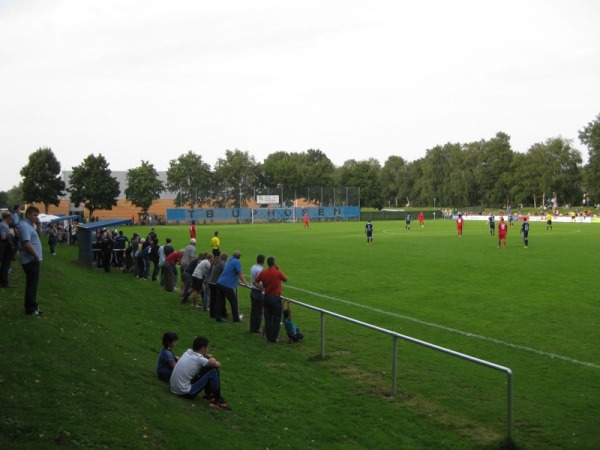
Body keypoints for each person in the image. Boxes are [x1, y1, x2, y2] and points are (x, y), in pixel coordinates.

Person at [169, 336, 230, 410]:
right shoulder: (199, 359)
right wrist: (212, 358)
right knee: (213, 370)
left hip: (174, 388)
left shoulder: (188, 352)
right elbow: (217, 364)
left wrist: (206, 356)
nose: (207, 350)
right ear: (203, 349)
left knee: (206, 368)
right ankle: (218, 399)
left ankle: (208, 395)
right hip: (185, 392)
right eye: (207, 348)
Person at [254, 256, 287, 343]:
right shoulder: (277, 272)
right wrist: (278, 268)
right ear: (274, 263)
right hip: (275, 298)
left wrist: (262, 288)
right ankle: (273, 338)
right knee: (276, 318)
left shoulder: (263, 272)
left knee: (268, 318)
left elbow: (255, 282)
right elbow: (285, 279)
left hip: (266, 297)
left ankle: (269, 337)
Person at [18, 206, 43, 316]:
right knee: (32, 285)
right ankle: (30, 309)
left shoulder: (30, 225)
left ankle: (33, 306)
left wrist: (38, 225)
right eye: (34, 215)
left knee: (33, 284)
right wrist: (36, 256)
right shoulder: (24, 226)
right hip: (30, 260)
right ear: (28, 214)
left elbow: (39, 235)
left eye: (37, 215)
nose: (36, 217)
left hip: (32, 260)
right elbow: (27, 243)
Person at [215, 251, 249, 323]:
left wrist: (238, 281)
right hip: (226, 285)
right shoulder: (236, 262)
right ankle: (236, 318)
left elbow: (233, 272)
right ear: (239, 257)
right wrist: (245, 283)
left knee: (219, 301)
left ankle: (217, 317)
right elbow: (240, 273)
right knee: (234, 302)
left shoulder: (230, 260)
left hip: (219, 283)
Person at [0, 211, 17, 288]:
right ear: (8, 217)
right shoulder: (4, 225)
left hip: (5, 248)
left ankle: (3, 280)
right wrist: (11, 234)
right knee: (5, 266)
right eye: (11, 218)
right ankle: (4, 282)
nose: (12, 220)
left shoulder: (4, 225)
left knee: (5, 265)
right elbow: (3, 237)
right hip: (6, 248)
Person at [208, 253, 228, 319]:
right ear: (225, 258)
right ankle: (221, 314)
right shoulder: (222, 263)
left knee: (213, 299)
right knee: (220, 299)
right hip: (215, 283)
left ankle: (212, 314)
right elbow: (226, 272)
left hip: (211, 282)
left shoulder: (216, 262)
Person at [249, 254, 265, 334]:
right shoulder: (260, 270)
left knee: (253, 311)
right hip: (258, 292)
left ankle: (252, 327)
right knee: (258, 312)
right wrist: (263, 288)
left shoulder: (253, 267)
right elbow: (260, 282)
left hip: (252, 291)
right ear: (263, 261)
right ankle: (256, 328)